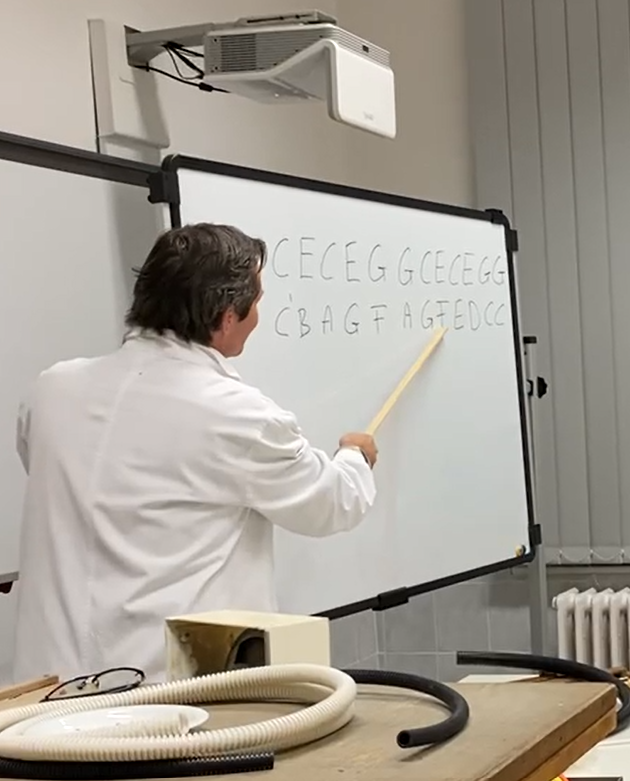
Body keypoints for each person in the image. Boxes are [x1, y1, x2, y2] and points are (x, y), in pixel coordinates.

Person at [11, 223, 379, 683]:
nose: (258, 316)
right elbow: (328, 504)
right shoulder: (236, 414)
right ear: (226, 318)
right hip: (157, 699)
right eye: (256, 303)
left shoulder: (51, 391)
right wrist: (354, 457)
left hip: (43, 700)